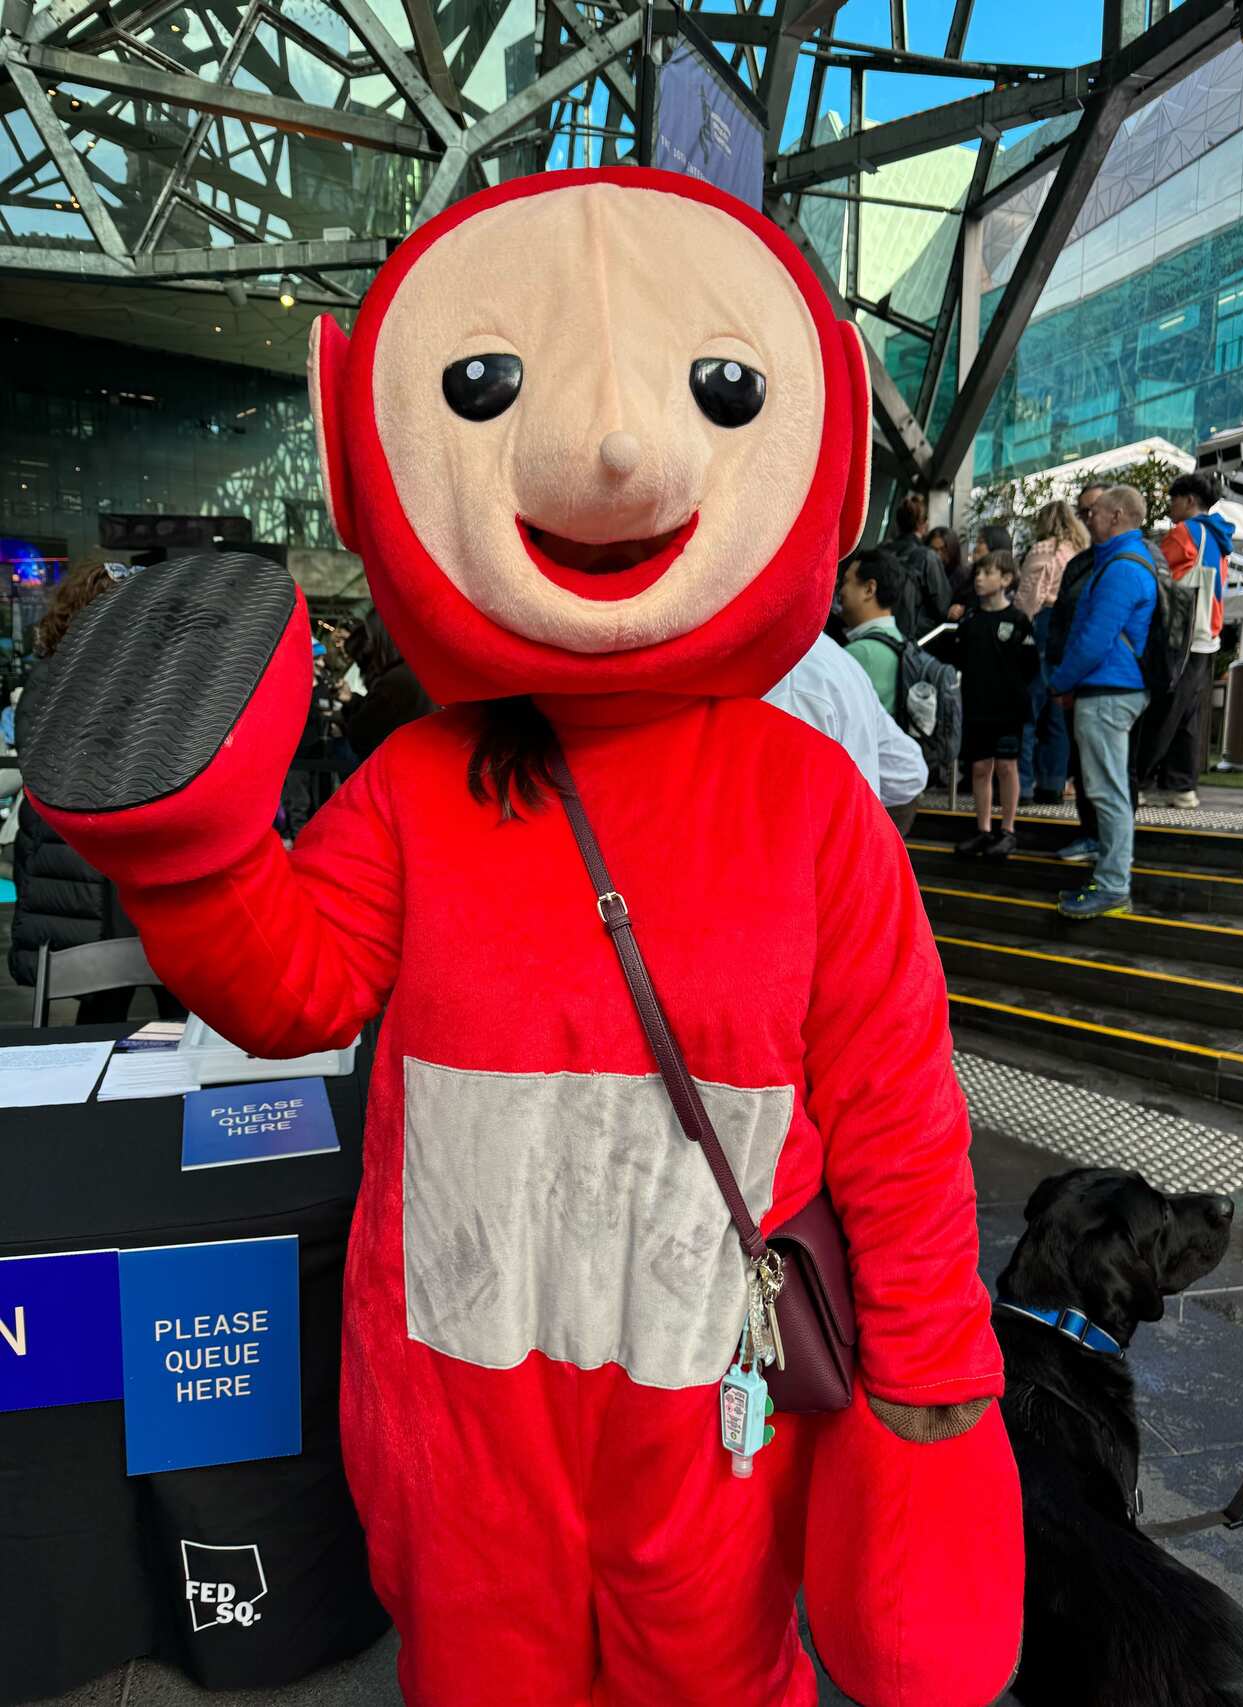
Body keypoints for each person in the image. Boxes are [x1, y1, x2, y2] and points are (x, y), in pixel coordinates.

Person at [23, 170, 1022, 1707]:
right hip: (462, 1398)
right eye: (485, 386)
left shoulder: (809, 801)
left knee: (714, 1674)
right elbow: (294, 987)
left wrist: (934, 1395)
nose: (613, 449)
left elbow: (896, 1115)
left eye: (721, 390)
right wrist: (197, 853)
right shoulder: (419, 784)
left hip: (714, 1394)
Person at [8, 557, 181, 1020]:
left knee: (161, 992)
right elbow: (51, 762)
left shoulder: (135, 671)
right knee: (110, 991)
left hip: (117, 856)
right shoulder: (66, 675)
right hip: (92, 859)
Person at [1050, 485, 1157, 919]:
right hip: (1112, 688)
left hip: (1109, 691)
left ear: (1116, 515)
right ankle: (1111, 878)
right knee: (1108, 788)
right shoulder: (1125, 561)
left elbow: (1094, 639)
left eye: (1094, 512)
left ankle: (1113, 885)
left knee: (1107, 791)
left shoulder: (1122, 568)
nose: (1088, 518)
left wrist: (1059, 681)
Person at [1136, 471, 1234, 810]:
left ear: (1189, 500)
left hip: (1181, 636)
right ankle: (1181, 786)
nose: (1170, 506)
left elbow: (1157, 578)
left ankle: (1138, 781)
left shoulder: (1185, 533)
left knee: (1161, 712)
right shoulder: (1219, 536)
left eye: (1174, 499)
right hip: (1207, 634)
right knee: (1187, 716)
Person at [765, 631, 928, 833]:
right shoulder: (837, 657)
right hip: (853, 840)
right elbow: (909, 772)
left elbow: (783, 824)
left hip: (821, 845)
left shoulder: (785, 674)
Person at [939, 550, 1037, 858]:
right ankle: (983, 829)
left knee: (1007, 766)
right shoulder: (970, 620)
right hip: (977, 706)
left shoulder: (1018, 620)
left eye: (987, 573)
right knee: (980, 767)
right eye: (977, 573)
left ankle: (1007, 829)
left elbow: (1030, 665)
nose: (979, 579)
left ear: (1006, 579)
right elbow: (956, 657)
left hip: (1008, 708)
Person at [1046, 481, 1106, 861]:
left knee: (1111, 773)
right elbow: (1061, 622)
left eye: (1093, 510)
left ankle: (1110, 849)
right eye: (1082, 511)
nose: (1088, 518)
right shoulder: (1080, 563)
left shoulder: (1129, 560)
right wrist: (1059, 675)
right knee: (1084, 765)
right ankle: (1091, 834)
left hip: (1112, 684)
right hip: (1077, 680)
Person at [1016, 500, 1090, 804]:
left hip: (1044, 622)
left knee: (1028, 709)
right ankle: (1053, 784)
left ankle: (1022, 785)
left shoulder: (1043, 550)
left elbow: (1028, 595)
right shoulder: (1080, 551)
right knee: (1058, 711)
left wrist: (1021, 624)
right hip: (1071, 626)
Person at [338, 610, 436, 760]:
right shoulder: (416, 670)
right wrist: (353, 700)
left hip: (404, 761)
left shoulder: (396, 680)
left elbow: (361, 734)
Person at [839, 546, 907, 714]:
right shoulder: (899, 641)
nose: (840, 590)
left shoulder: (862, 653)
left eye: (846, 581)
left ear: (869, 589)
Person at [883, 491, 951, 641]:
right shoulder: (927, 557)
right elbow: (942, 606)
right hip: (910, 637)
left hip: (877, 628)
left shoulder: (881, 552)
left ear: (897, 523)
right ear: (923, 525)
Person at [926, 525, 967, 598]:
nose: (938, 555)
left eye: (943, 550)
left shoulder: (963, 577)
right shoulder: (924, 575)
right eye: (933, 550)